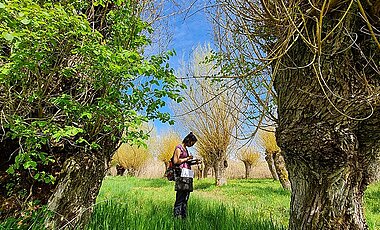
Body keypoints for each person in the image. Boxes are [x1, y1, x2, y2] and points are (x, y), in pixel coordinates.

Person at [172, 132, 199, 219]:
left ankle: (184, 217)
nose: (192, 145)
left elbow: (186, 162)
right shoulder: (179, 148)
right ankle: (176, 217)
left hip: (187, 175)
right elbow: (175, 161)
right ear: (188, 140)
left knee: (186, 198)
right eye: (192, 143)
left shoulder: (186, 149)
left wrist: (195, 161)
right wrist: (187, 158)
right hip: (181, 175)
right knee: (180, 197)